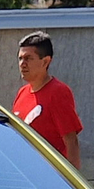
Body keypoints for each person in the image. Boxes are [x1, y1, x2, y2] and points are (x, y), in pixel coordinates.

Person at [12, 31, 82, 161]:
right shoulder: (22, 93)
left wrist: (69, 181)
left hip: (50, 174)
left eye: (28, 58)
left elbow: (71, 142)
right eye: (20, 58)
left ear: (45, 62)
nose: (22, 64)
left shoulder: (58, 92)